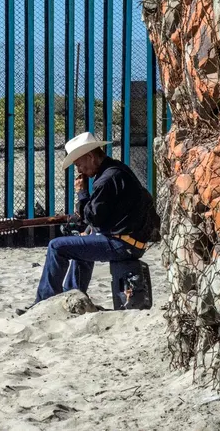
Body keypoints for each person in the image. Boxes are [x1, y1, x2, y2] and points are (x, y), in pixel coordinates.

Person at [16, 131, 160, 316]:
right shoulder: (117, 170)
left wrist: (82, 193)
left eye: (79, 164)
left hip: (121, 244)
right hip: (133, 242)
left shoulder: (106, 180)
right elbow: (108, 215)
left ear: (90, 156)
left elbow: (92, 217)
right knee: (80, 243)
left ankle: (42, 303)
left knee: (56, 246)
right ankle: (74, 296)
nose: (79, 170)